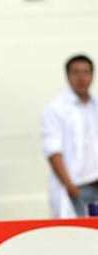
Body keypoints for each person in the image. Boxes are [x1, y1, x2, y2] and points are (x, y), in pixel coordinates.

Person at [41, 54, 98, 217]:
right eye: (76, 73)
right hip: (75, 188)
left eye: (86, 72)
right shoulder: (56, 109)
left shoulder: (96, 107)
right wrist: (69, 185)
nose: (82, 78)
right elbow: (53, 151)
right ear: (68, 76)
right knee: (75, 236)